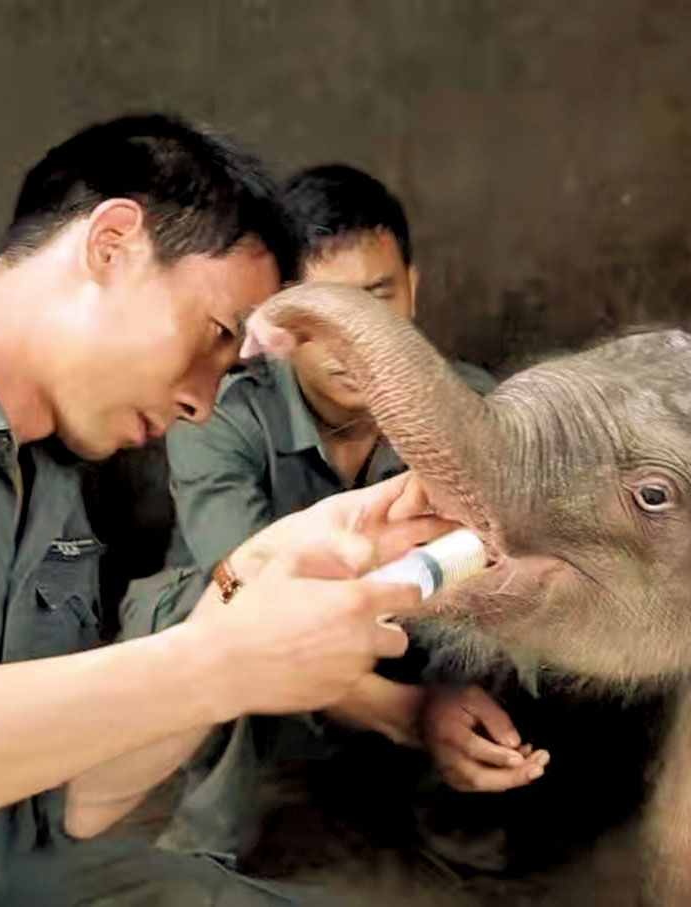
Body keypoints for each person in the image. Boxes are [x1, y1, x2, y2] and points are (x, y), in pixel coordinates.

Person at [0, 114, 453, 907]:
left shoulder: (59, 478)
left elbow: (81, 802)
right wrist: (217, 663)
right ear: (112, 244)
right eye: (214, 334)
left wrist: (251, 578)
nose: (204, 404)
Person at [150, 165, 548, 870]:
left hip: (401, 637)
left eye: (376, 297)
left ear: (413, 291)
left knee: (519, 589)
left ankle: (453, 796)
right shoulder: (221, 407)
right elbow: (254, 596)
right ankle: (206, 833)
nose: (356, 337)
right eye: (326, 309)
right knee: (204, 605)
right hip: (250, 636)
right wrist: (408, 716)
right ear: (280, 316)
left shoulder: (468, 407)